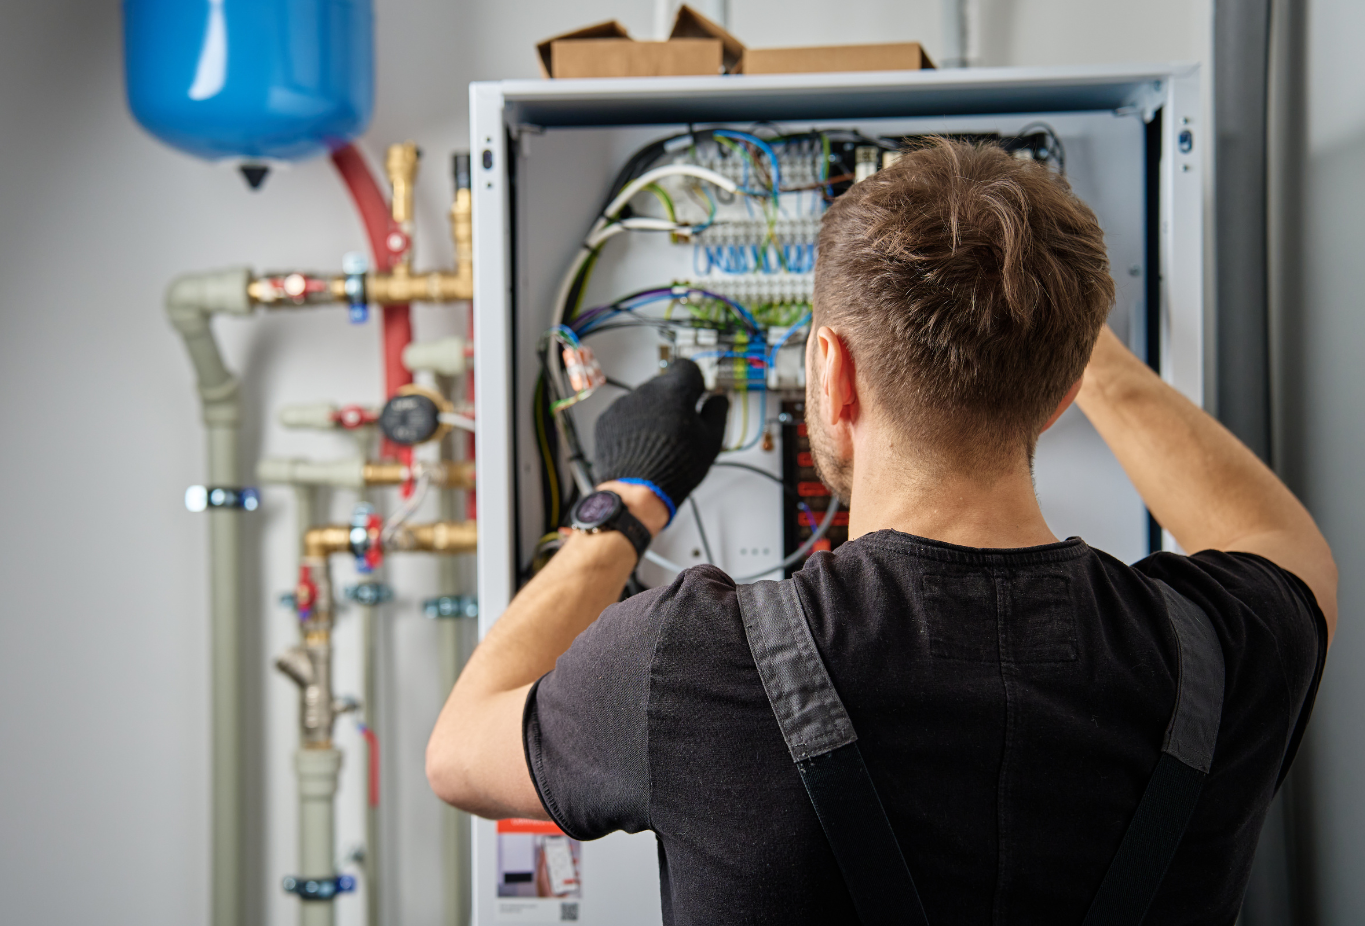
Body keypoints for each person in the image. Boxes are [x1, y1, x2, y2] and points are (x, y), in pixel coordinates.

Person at [426, 139, 1335, 924]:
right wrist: (1066, 341)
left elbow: (458, 754)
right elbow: (1277, 536)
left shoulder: (695, 662)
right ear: (1061, 397)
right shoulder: (1224, 650)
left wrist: (623, 508)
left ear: (831, 373)